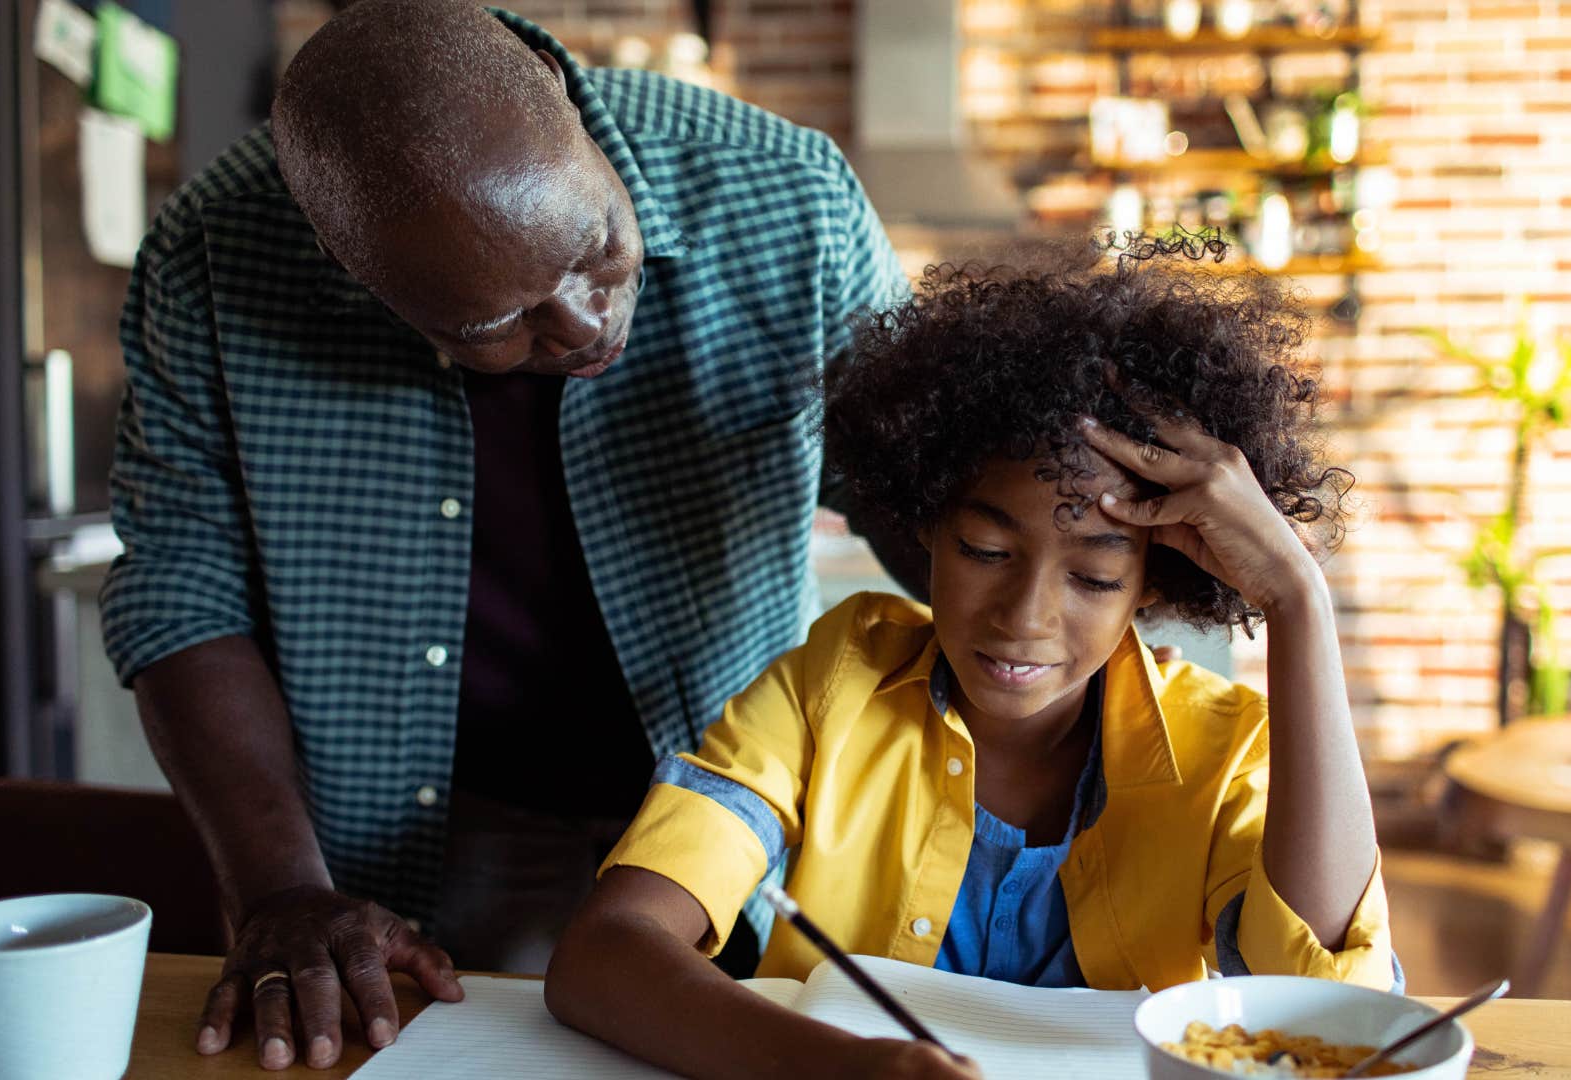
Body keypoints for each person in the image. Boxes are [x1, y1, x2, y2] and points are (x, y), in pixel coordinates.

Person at [100, 0, 911, 1069]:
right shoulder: (212, 257)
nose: (583, 327)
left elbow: (918, 489)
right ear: (357, 274)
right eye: (499, 326)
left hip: (744, 824)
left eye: (598, 248)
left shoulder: (785, 195)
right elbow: (179, 585)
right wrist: (283, 888)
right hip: (423, 849)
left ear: (557, 89)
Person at [545, 239, 1399, 1079]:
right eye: (986, 551)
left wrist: (1296, 598)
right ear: (926, 523)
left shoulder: (1225, 753)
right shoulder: (832, 686)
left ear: (1152, 580)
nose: (1025, 619)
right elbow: (607, 952)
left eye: (1096, 576)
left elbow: (1322, 1006)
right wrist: (849, 1070)